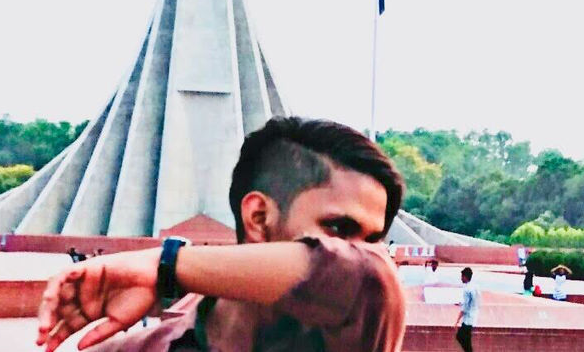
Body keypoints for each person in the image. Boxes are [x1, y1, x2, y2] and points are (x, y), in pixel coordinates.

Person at [35, 116, 406, 352]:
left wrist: (166, 265)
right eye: (339, 229)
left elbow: (366, 278)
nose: (361, 252)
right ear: (258, 217)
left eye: (373, 239)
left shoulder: (356, 334)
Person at [455, 266, 479, 352]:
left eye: (462, 276)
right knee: (466, 338)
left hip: (468, 318)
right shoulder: (475, 287)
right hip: (474, 315)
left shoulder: (467, 289)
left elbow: (465, 307)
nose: (461, 278)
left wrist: (457, 320)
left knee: (460, 336)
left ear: (465, 277)